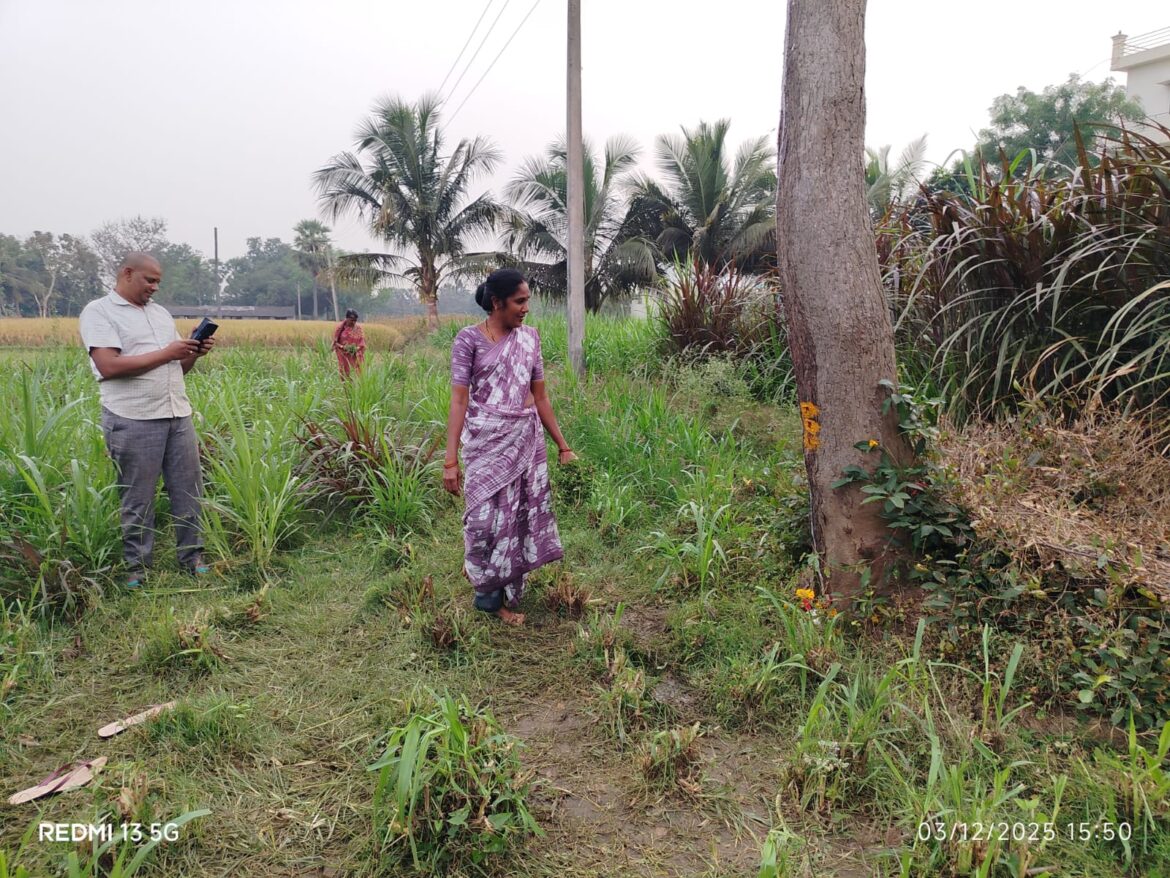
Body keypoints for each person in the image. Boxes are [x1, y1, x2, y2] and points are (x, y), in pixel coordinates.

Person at [442, 269, 577, 625]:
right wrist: (450, 461)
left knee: (514, 520)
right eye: (520, 301)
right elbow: (459, 401)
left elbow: (540, 397)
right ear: (497, 303)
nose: (526, 308)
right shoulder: (468, 340)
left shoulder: (530, 339)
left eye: (527, 301)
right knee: (483, 522)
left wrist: (563, 446)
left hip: (523, 444)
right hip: (485, 444)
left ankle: (495, 597)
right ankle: (484, 579)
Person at [78, 252, 215, 588]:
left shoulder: (160, 314)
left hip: (176, 413)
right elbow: (109, 366)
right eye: (149, 280)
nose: (155, 287)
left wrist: (192, 354)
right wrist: (169, 351)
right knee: (137, 496)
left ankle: (192, 557)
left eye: (158, 282)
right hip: (133, 417)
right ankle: (137, 568)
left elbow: (175, 369)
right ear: (127, 273)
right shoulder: (99, 312)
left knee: (188, 492)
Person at [332, 308, 366, 378]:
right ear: (347, 318)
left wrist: (356, 348)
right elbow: (335, 343)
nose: (353, 322)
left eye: (355, 321)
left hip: (355, 356)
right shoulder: (340, 329)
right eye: (352, 320)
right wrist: (343, 347)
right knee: (345, 374)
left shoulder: (358, 329)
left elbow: (362, 343)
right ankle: (346, 388)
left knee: (357, 374)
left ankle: (358, 388)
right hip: (343, 356)